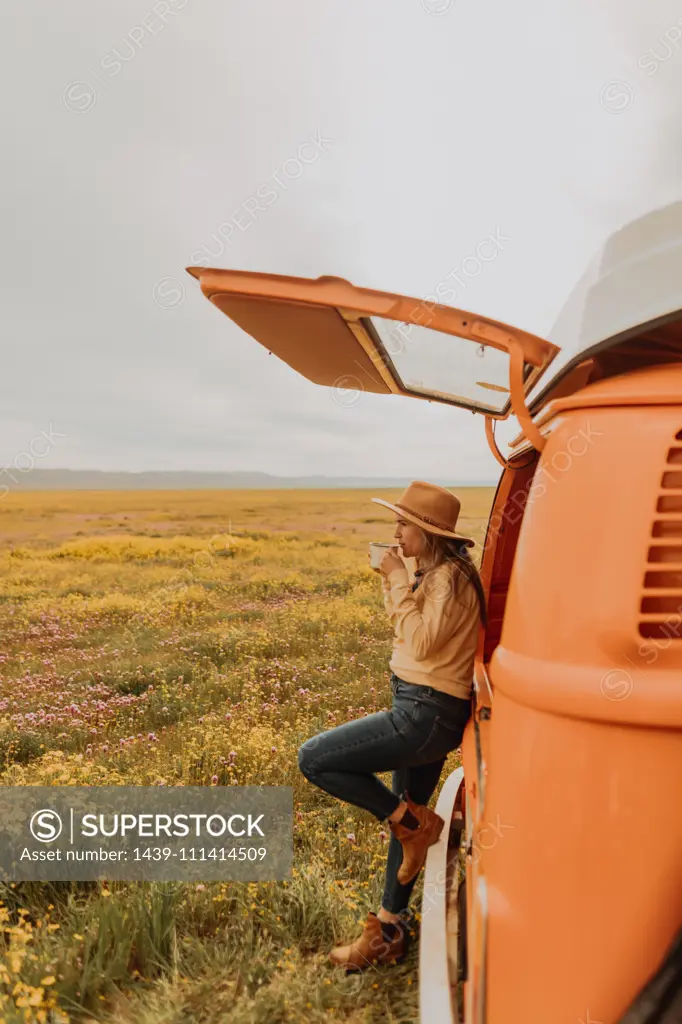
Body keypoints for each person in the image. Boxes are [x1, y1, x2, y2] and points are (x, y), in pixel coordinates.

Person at [297, 480, 486, 971]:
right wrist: (396, 580)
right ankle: (388, 931)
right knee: (409, 823)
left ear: (426, 531)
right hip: (427, 708)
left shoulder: (446, 578)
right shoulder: (441, 574)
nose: (396, 531)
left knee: (315, 759)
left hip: (423, 712)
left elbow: (419, 643)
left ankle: (407, 825)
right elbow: (409, 628)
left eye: (403, 523)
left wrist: (399, 579)